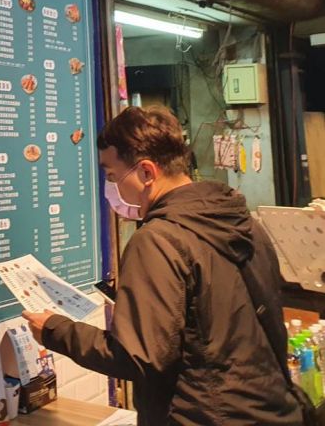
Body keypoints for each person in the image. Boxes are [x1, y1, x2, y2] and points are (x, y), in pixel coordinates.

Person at [22, 105, 305, 425]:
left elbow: (136, 356)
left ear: (146, 173)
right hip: (273, 409)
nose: (111, 188)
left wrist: (54, 330)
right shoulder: (244, 222)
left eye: (112, 175)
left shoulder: (157, 240)